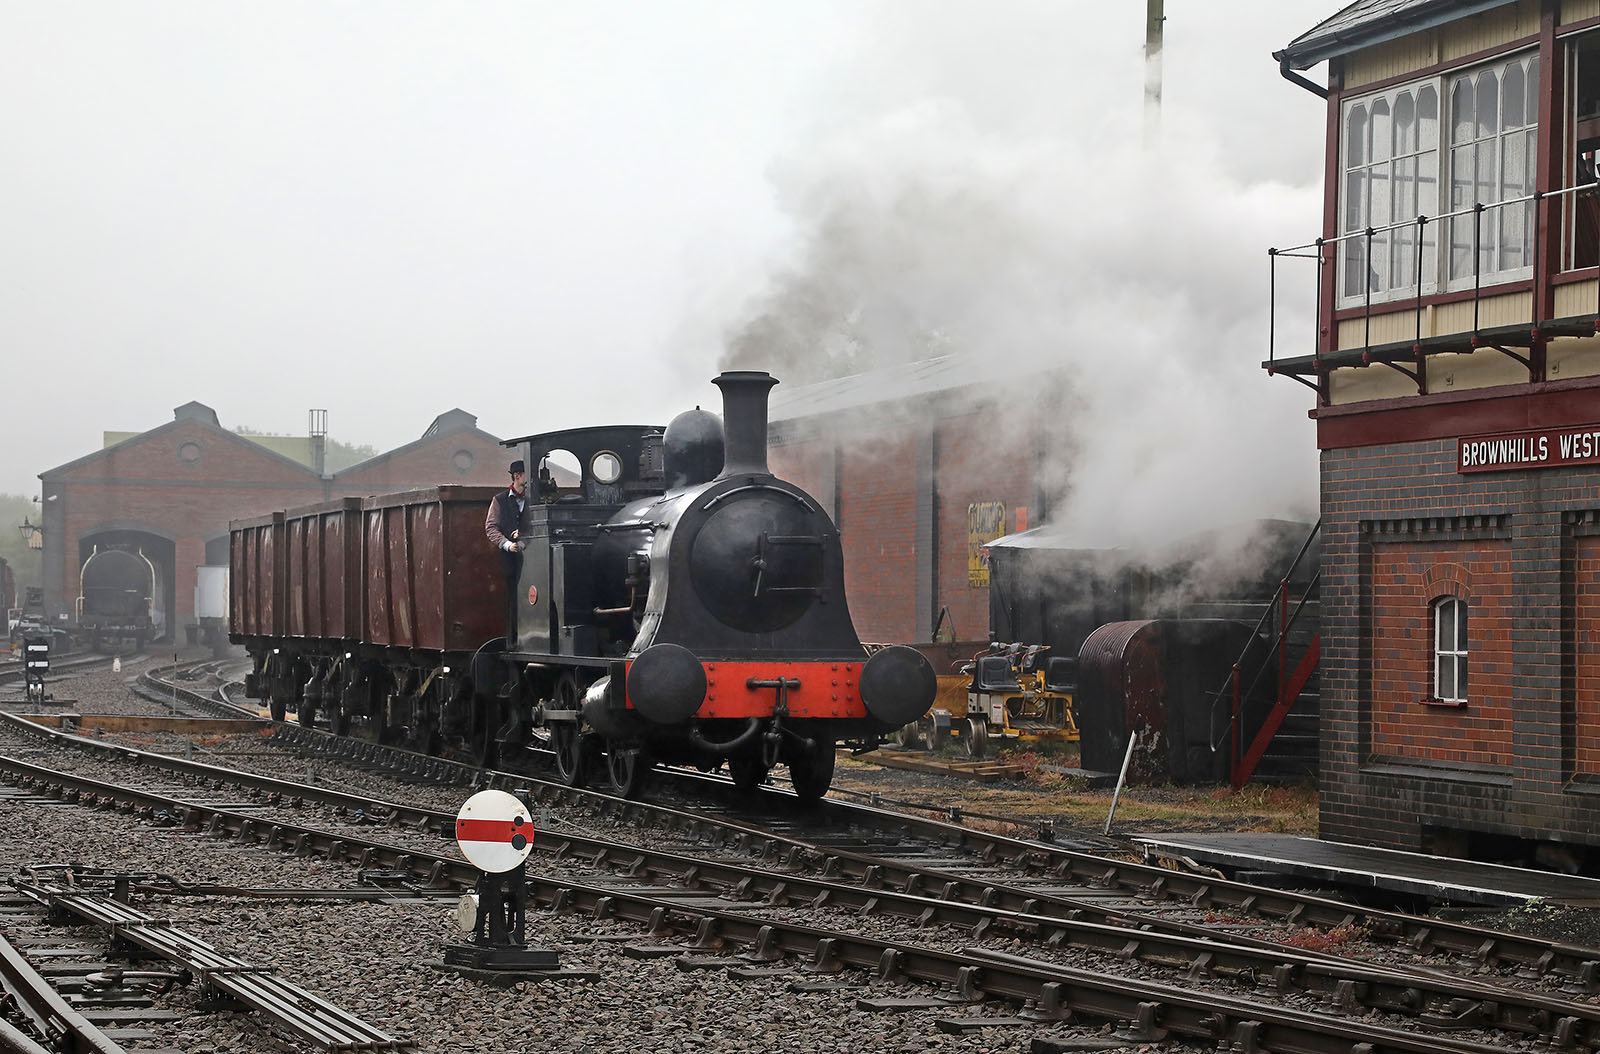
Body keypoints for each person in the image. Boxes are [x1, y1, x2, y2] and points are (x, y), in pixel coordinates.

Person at [485, 459, 528, 644]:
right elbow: (491, 527)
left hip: (535, 557)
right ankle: (514, 638)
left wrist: (526, 535)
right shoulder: (499, 500)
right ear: (517, 476)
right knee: (513, 597)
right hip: (511, 559)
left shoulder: (537, 499)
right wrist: (507, 544)